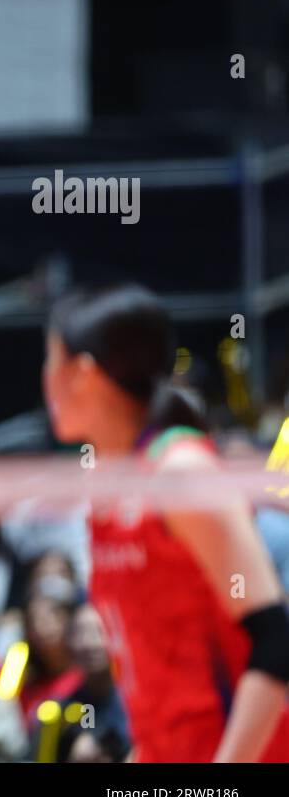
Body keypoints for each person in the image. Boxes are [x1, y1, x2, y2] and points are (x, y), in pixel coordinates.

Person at [43, 283, 289, 761]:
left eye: (51, 360)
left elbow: (277, 644)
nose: (44, 379)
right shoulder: (108, 490)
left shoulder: (181, 472)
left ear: (84, 374)